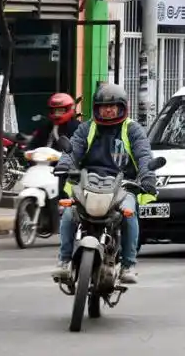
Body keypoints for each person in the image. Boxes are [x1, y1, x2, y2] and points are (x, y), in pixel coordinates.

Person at [52, 83, 157, 285]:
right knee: (69, 213)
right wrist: (64, 165)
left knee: (129, 214)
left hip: (122, 185)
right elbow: (73, 149)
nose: (108, 110)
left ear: (122, 107)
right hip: (88, 183)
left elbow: (144, 155)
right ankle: (64, 261)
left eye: (113, 106)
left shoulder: (132, 129)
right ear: (96, 109)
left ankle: (128, 265)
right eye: (103, 107)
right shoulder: (86, 128)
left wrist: (148, 177)